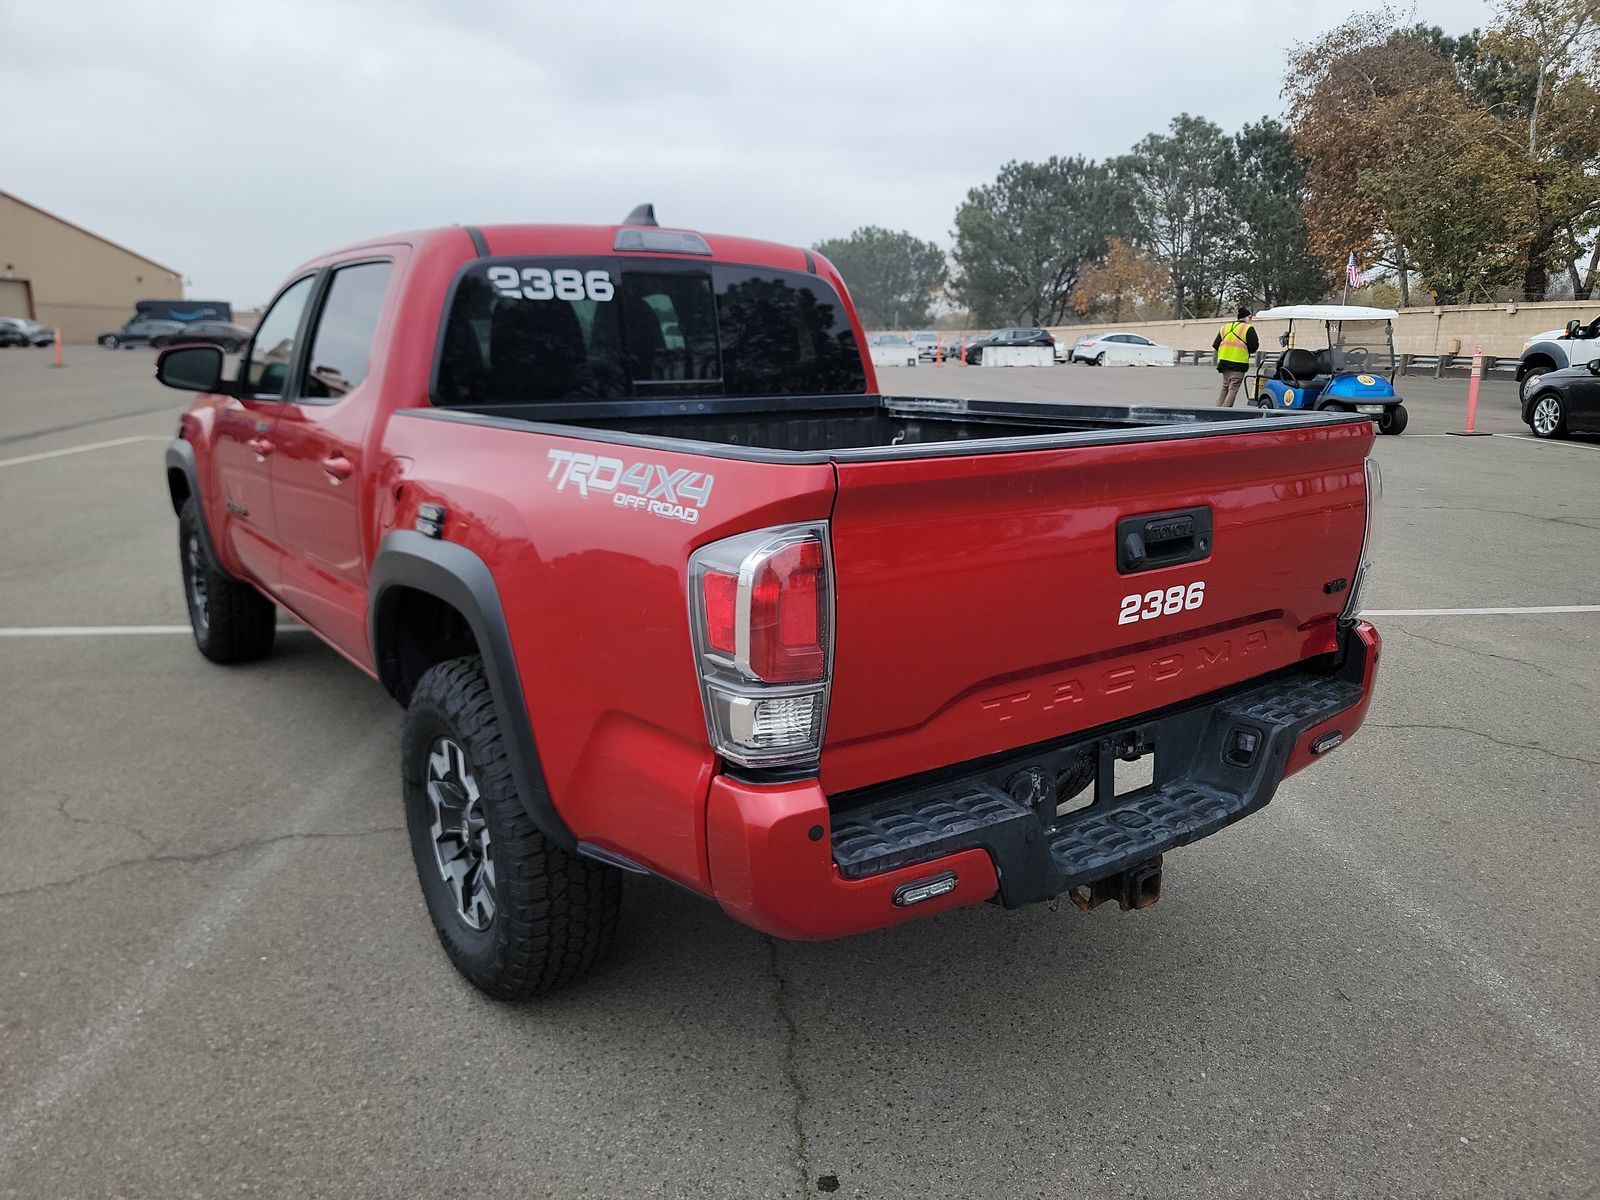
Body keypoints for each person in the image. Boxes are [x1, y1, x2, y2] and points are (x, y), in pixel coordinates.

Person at [1212, 307, 1259, 407]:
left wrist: (1226, 352)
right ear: (1245, 318)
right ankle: (1225, 412)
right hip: (1238, 364)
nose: (1251, 320)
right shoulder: (1248, 328)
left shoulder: (1225, 327)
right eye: (1250, 317)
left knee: (1225, 386)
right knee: (1233, 388)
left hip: (1224, 363)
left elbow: (1216, 344)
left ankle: (1217, 410)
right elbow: (1254, 346)